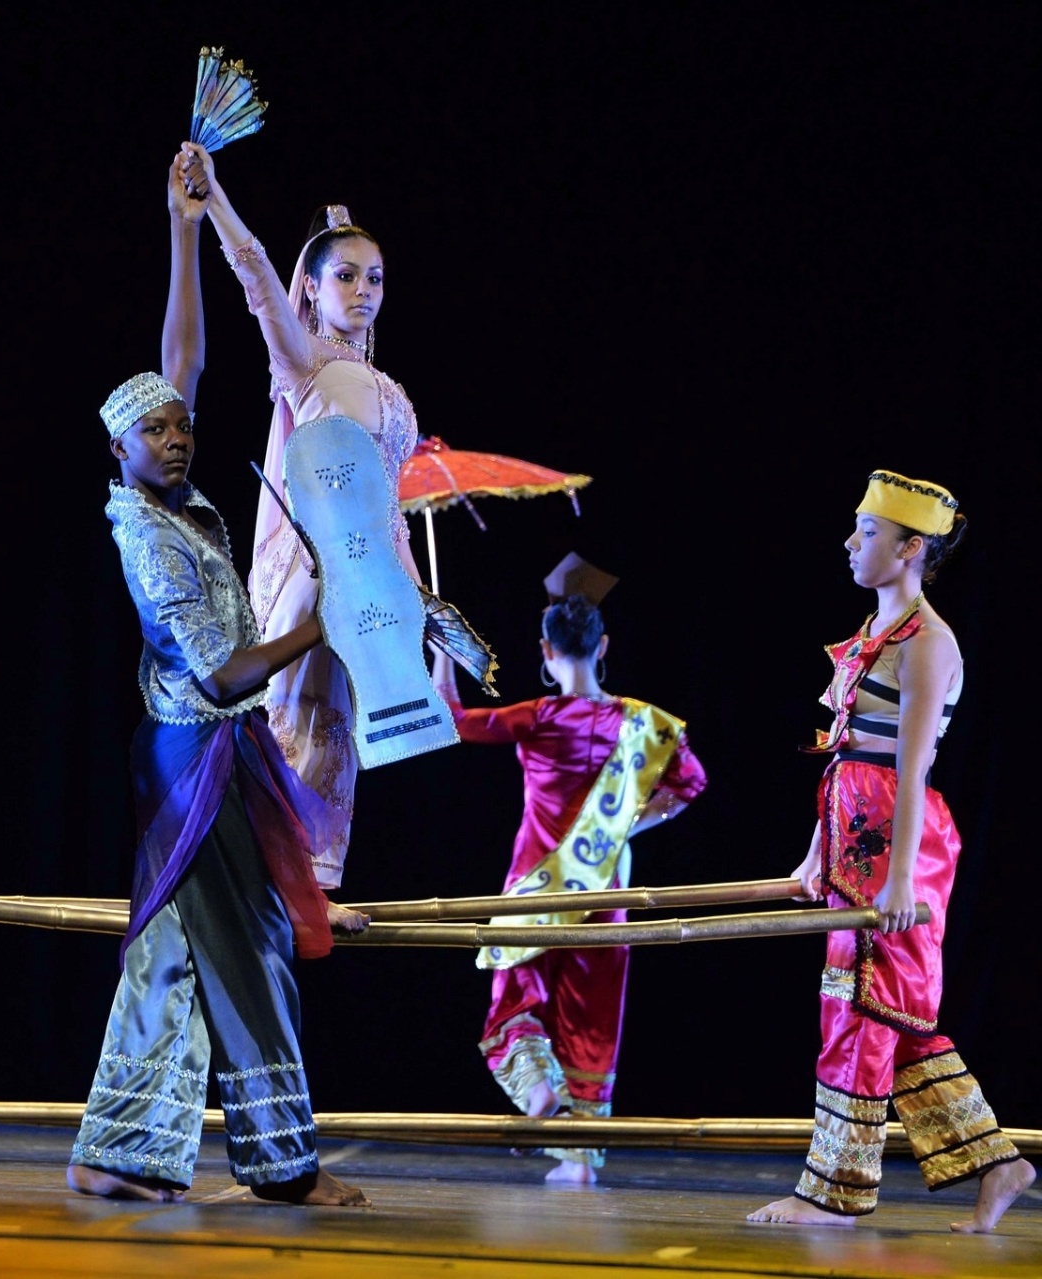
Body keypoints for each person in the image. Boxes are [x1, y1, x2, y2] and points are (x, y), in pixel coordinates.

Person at [65, 155, 366, 1207]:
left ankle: (118, 1153)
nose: (179, 432)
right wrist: (314, 628)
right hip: (200, 749)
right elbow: (231, 673)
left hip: (201, 750)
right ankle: (286, 1166)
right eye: (157, 429)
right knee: (250, 946)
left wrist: (182, 230)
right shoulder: (146, 537)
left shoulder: (172, 493)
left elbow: (179, 360)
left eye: (182, 423)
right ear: (119, 450)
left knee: (173, 952)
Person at [751, 471, 1033, 1232]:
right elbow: (842, 754)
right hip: (857, 834)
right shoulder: (871, 638)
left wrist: (902, 875)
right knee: (888, 1013)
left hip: (900, 843)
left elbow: (911, 772)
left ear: (911, 548)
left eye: (866, 532)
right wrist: (815, 854)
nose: (850, 542)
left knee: (857, 1011)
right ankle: (998, 1162)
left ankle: (833, 1194)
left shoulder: (929, 644)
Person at [181, 140, 426, 904]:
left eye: (375, 278)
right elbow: (253, 272)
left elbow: (387, 498)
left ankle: (310, 888)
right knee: (295, 720)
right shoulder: (307, 361)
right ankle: (259, 878)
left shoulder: (381, 383)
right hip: (316, 577)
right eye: (346, 276)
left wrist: (416, 599)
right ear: (312, 290)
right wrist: (213, 197)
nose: (363, 290)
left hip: (370, 580)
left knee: (337, 738)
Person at [432, 558, 706, 1185]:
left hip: (533, 887)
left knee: (514, 998)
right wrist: (629, 824)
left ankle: (536, 1095)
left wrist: (444, 650)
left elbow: (451, 718)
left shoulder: (538, 717)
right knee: (591, 1015)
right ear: (603, 646)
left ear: (545, 650)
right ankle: (580, 1158)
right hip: (604, 885)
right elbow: (691, 784)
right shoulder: (644, 723)